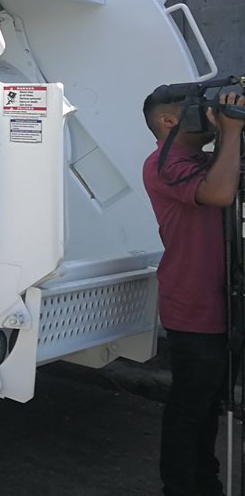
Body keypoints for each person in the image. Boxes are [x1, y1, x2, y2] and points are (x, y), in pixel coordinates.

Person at [142, 87, 245, 496]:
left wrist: (230, 135)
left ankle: (207, 480)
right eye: (200, 110)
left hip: (227, 303)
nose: (209, 116)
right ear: (170, 121)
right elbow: (219, 193)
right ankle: (183, 487)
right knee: (191, 408)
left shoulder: (208, 158)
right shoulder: (162, 164)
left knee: (211, 407)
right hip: (194, 305)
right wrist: (232, 132)